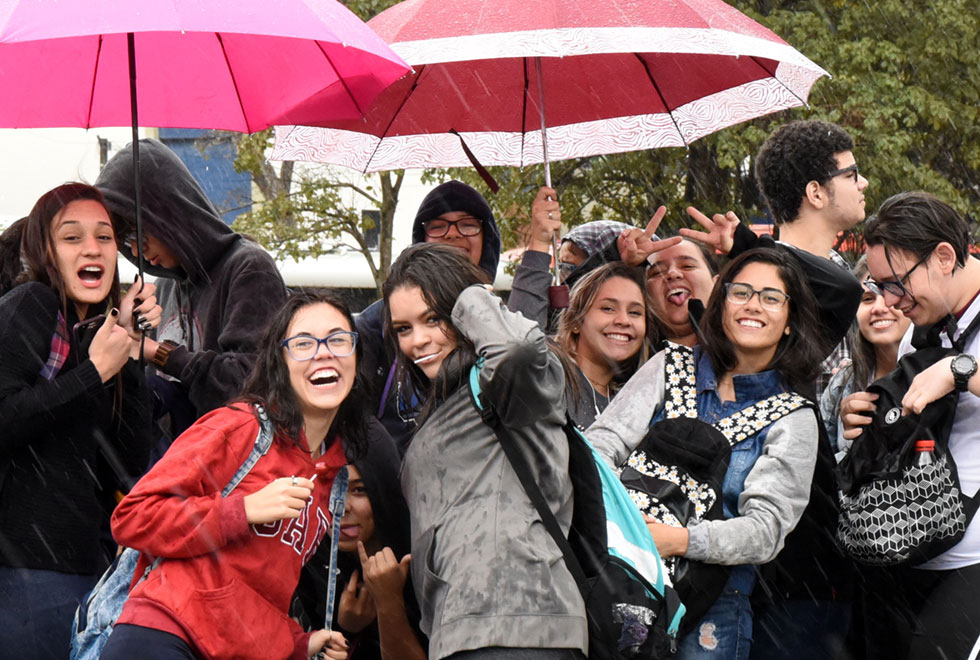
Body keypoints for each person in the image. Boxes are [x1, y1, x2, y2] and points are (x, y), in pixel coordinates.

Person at [99, 291, 367, 660]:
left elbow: (257, 590)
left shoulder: (331, 481)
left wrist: (299, 643)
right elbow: (133, 517)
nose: (324, 352)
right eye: (304, 343)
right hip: (167, 632)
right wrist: (241, 510)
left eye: (338, 339)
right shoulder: (240, 427)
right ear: (279, 363)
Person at [588, 248, 823, 660]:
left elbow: (766, 530)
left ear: (790, 321)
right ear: (721, 303)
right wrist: (629, 524)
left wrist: (679, 540)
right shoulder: (669, 364)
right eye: (742, 292)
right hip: (619, 574)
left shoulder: (794, 417)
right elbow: (599, 447)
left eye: (771, 298)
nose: (753, 305)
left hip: (714, 605)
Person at [383, 243, 587, 660]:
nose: (419, 340)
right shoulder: (448, 400)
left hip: (520, 622)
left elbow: (517, 349)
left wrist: (469, 292)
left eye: (433, 319)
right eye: (404, 329)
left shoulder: (505, 385)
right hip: (465, 629)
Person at [0, 183, 159, 660]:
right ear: (45, 251)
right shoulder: (31, 304)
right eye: (72, 238)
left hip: (85, 572)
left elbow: (124, 466)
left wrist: (129, 350)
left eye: (104, 237)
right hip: (24, 574)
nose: (92, 248)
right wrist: (94, 374)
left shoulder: (96, 333)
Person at [840, 192, 980, 659]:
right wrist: (870, 413)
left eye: (897, 284)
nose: (891, 303)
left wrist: (960, 372)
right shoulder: (921, 327)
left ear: (944, 256)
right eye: (881, 287)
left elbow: (955, 377)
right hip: (909, 543)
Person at [96, 138, 288, 437]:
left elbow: (250, 381)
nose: (135, 249)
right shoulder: (163, 288)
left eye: (138, 231)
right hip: (180, 467)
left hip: (237, 467)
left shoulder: (249, 268)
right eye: (125, 240)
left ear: (168, 213)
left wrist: (158, 353)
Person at [357, 180, 501, 452]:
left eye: (468, 224)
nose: (452, 234)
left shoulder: (502, 323)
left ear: (487, 237)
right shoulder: (376, 324)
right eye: (437, 226)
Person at [294, 429, 426, 660]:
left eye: (358, 490)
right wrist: (346, 629)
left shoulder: (422, 560)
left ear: (383, 490)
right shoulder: (307, 561)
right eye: (329, 488)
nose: (341, 507)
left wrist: (388, 602)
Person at [819, 257, 910, 460]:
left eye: (891, 293)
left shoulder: (937, 374)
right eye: (868, 298)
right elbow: (820, 464)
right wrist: (850, 450)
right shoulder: (843, 381)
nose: (879, 307)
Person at [554, 262, 652, 428]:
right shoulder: (548, 373)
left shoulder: (634, 402)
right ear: (576, 320)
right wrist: (539, 244)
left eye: (634, 312)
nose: (623, 320)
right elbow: (519, 342)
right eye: (608, 308)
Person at [645, 238, 720, 347]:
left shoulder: (743, 346)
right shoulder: (633, 357)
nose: (672, 273)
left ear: (717, 284)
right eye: (658, 272)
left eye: (687, 266)